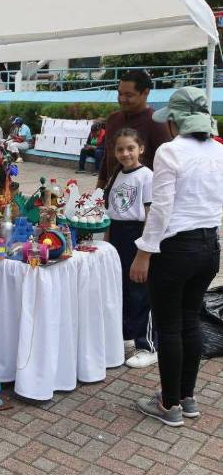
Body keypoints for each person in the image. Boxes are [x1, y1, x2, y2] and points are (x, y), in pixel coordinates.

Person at [130, 87, 222, 426]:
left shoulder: (170, 152)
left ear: (176, 120)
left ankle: (169, 406)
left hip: (175, 249)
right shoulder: (219, 149)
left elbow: (162, 208)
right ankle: (187, 397)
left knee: (169, 326)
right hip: (209, 247)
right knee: (189, 321)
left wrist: (144, 252)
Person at [104, 128, 154, 368]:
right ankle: (127, 336)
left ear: (141, 149)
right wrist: (106, 240)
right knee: (121, 287)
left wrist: (145, 249)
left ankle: (147, 345)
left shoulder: (146, 176)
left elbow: (151, 214)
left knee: (139, 289)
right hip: (117, 235)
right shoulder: (117, 175)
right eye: (120, 149)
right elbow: (112, 212)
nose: (125, 153)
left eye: (130, 148)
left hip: (137, 235)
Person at [96, 70, 172, 189]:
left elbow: (166, 166)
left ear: (145, 93)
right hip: (112, 194)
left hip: (142, 197)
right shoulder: (112, 119)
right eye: (120, 93)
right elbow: (107, 158)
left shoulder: (156, 122)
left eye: (128, 95)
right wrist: (98, 192)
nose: (122, 99)